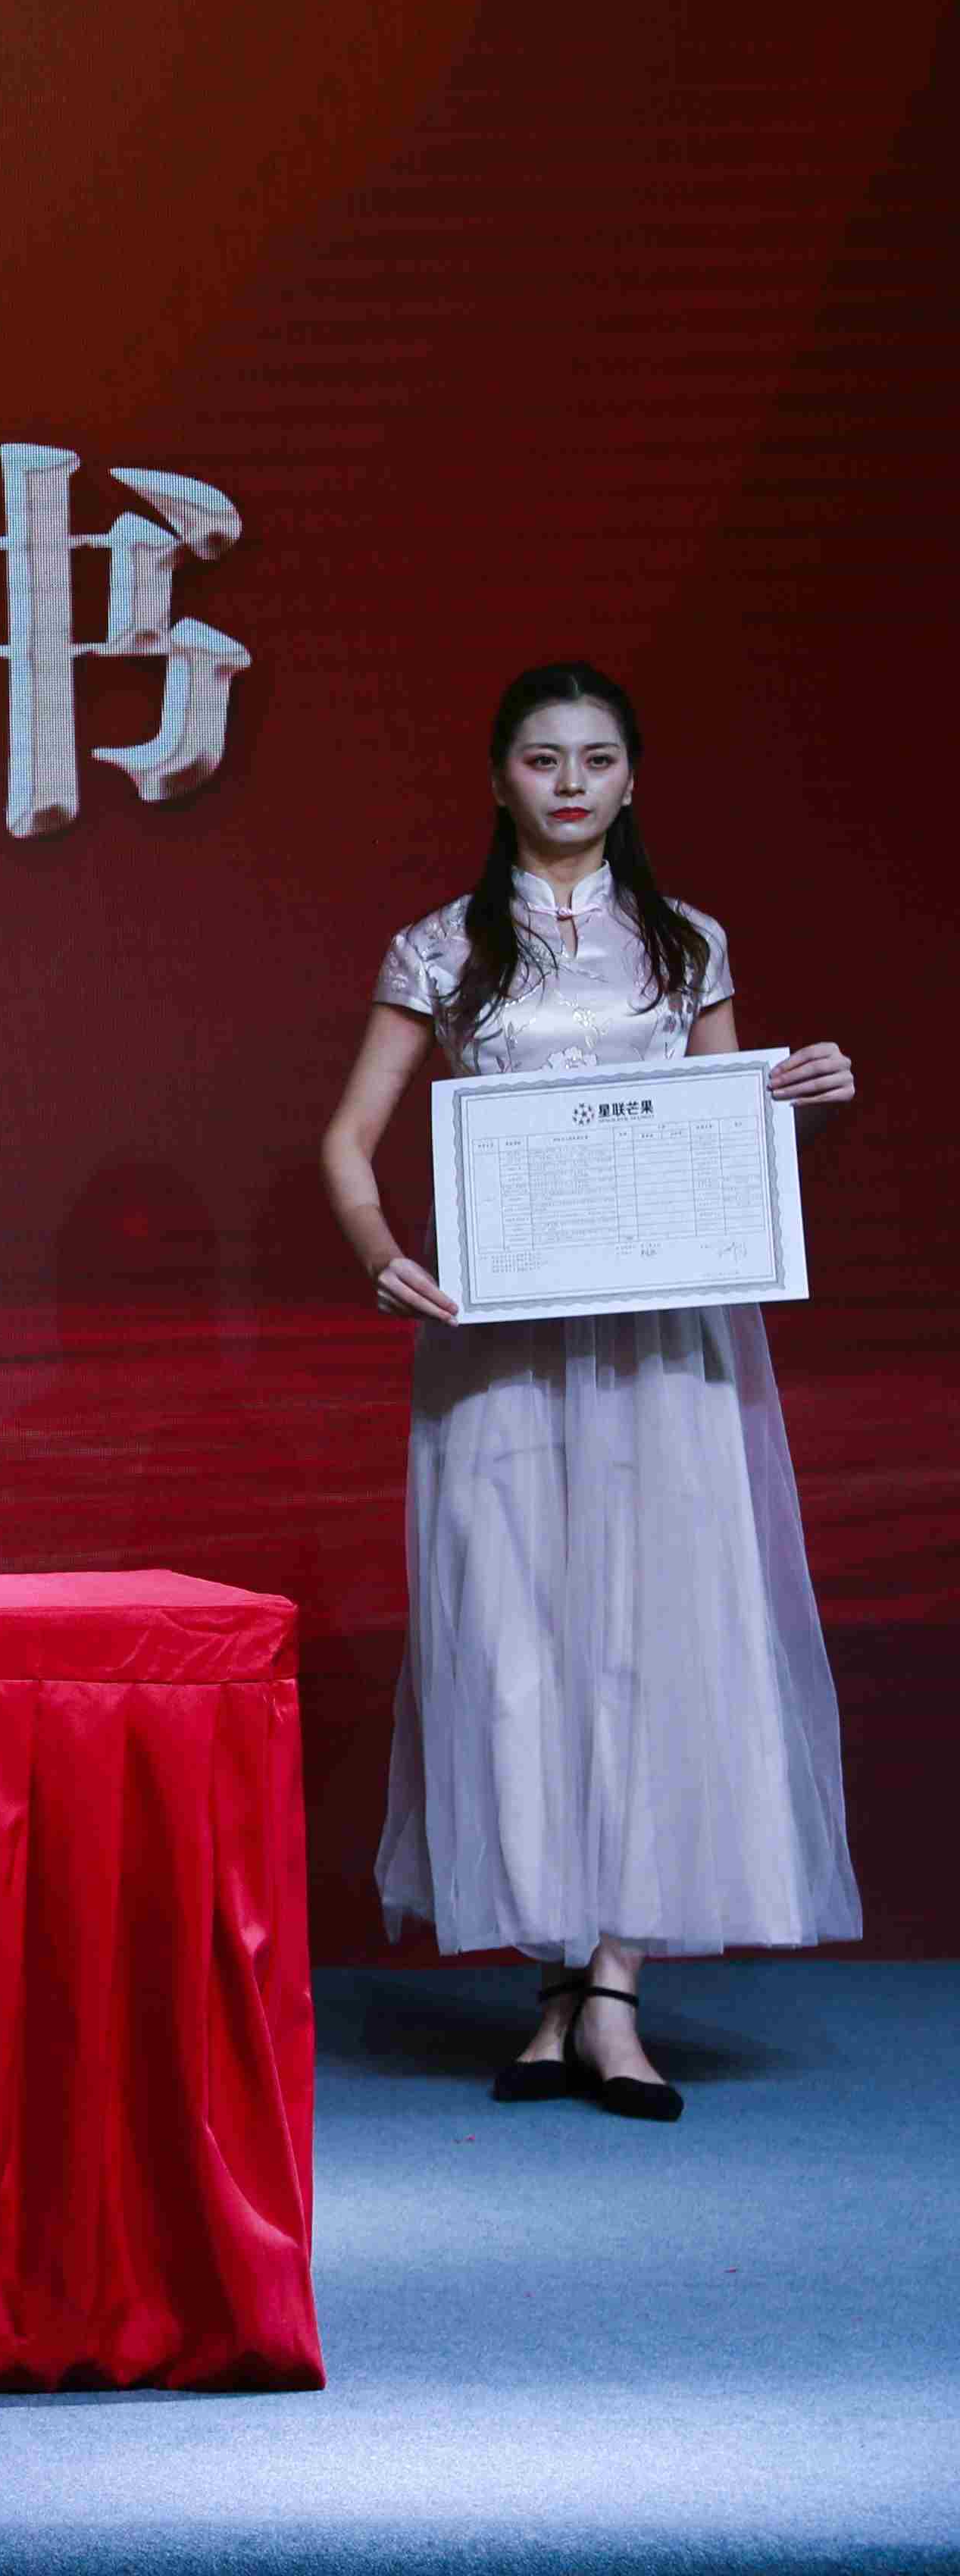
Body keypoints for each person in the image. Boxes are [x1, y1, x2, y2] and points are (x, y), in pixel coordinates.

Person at [317, 660, 861, 2121]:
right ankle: (556, 1971)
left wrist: (799, 1106)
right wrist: (380, 1254)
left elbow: (725, 1142)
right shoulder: (440, 945)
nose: (569, 783)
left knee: (652, 1628)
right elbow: (347, 1139)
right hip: (498, 1343)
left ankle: (610, 1983)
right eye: (542, 758)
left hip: (658, 1342)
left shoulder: (684, 943)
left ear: (632, 779)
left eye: (597, 758)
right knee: (517, 1628)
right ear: (498, 776)